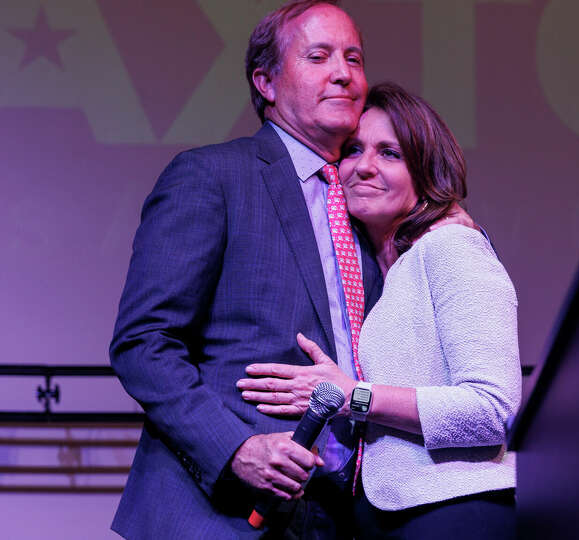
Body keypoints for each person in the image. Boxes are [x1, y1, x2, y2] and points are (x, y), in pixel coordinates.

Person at [109, 2, 444, 537]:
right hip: (219, 511)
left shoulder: (369, 207)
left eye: (354, 58)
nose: (344, 73)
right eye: (319, 56)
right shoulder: (213, 176)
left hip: (342, 512)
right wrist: (235, 449)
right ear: (265, 81)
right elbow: (143, 343)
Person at [238, 83, 520, 539]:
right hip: (386, 520)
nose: (365, 166)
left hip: (456, 511)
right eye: (352, 150)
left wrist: (354, 397)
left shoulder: (453, 246)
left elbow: (490, 410)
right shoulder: (381, 276)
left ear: (425, 171)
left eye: (390, 153)